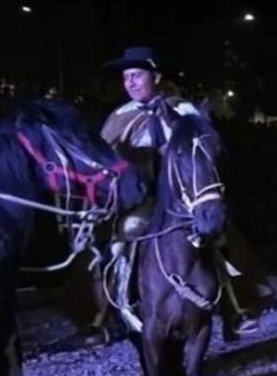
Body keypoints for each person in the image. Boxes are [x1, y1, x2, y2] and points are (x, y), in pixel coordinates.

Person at [84, 46, 261, 344]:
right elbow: (102, 161)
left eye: (137, 75)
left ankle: (235, 307)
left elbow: (204, 150)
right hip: (139, 203)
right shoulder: (119, 117)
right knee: (115, 240)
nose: (130, 82)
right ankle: (105, 315)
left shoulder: (183, 110)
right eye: (127, 77)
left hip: (184, 199)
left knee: (218, 235)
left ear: (156, 76)